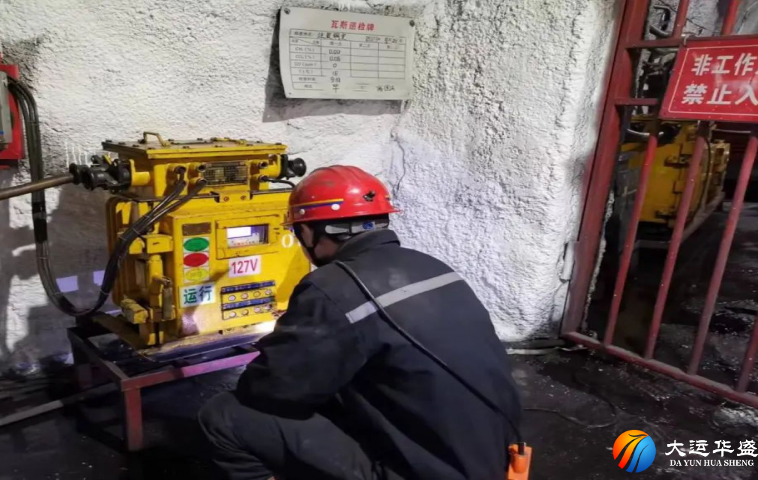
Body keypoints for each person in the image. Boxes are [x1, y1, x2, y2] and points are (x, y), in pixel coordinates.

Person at [198, 165, 522, 480]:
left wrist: (285, 343)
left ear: (308, 231)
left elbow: (270, 389)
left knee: (225, 416)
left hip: (420, 470)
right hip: (491, 455)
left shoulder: (333, 287)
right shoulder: (432, 266)